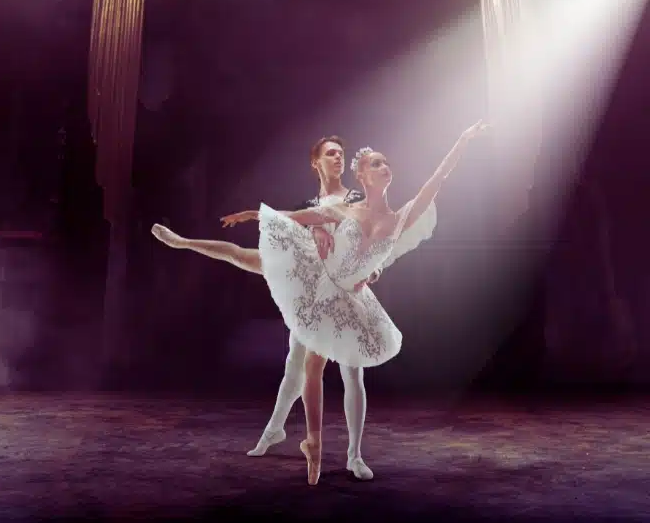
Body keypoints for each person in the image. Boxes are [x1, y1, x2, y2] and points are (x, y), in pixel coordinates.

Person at [230, 119, 487, 485]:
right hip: (322, 288)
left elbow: (438, 179)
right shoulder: (347, 209)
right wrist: (260, 215)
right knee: (303, 365)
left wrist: (461, 140)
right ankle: (307, 441)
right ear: (364, 176)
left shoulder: (400, 218)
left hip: (353, 299)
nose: (385, 167)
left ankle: (351, 453)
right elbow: (298, 218)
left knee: (349, 372)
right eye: (377, 164)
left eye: (386, 163)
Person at [152, 136, 380, 480]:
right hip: (315, 290)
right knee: (294, 365)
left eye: (340, 153)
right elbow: (271, 234)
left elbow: (371, 242)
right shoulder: (307, 207)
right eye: (330, 153)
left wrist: (372, 268)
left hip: (346, 290)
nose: (337, 158)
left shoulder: (356, 199)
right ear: (314, 162)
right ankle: (274, 430)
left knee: (352, 370)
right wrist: (189, 240)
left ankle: (355, 456)